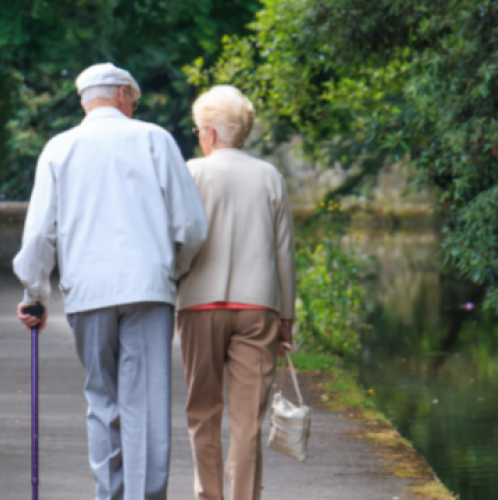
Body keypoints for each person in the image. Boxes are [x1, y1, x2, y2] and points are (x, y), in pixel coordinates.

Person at [12, 62, 208, 500]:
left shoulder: (58, 148)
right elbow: (192, 227)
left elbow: (39, 233)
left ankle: (109, 494)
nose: (133, 107)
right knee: (146, 404)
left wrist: (35, 295)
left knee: (102, 399)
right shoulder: (156, 139)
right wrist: (174, 270)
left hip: (88, 291)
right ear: (121, 95)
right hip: (148, 288)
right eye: (132, 100)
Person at [176, 85, 296, 500]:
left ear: (209, 133)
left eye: (198, 129)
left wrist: (174, 279)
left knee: (202, 412)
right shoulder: (270, 176)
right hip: (258, 307)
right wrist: (286, 318)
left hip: (199, 304)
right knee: (248, 422)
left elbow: (179, 239)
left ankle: (209, 496)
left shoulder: (191, 172)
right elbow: (284, 253)